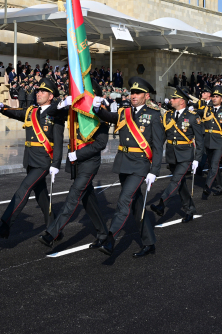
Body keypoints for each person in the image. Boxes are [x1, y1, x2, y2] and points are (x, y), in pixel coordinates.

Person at [92, 77, 164, 258]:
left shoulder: (154, 115)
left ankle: (110, 239)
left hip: (140, 165)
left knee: (124, 200)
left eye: (138, 93)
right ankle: (149, 243)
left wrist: (154, 171)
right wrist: (96, 108)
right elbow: (108, 116)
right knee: (136, 205)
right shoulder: (125, 112)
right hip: (124, 163)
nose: (133, 95)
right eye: (132, 92)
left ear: (146, 96)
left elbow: (157, 146)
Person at [0, 78, 66, 239]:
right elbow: (17, 113)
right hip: (30, 159)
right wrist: (3, 109)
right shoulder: (32, 111)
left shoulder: (56, 113)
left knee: (24, 189)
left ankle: (6, 224)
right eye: (38, 91)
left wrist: (56, 163)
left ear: (51, 96)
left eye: (43, 91)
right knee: (41, 195)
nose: (38, 93)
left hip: (44, 161)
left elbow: (58, 142)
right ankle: (54, 229)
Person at [39, 95, 111, 249]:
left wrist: (78, 154)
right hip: (76, 162)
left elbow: (100, 144)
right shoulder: (77, 111)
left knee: (74, 195)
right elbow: (52, 113)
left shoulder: (101, 113)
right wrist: (63, 103)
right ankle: (103, 235)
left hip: (89, 163)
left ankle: (52, 233)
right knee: (88, 200)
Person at [149, 86, 205, 223]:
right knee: (180, 184)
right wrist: (153, 153)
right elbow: (163, 136)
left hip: (185, 156)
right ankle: (190, 209)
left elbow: (200, 140)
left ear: (182, 101)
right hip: (171, 154)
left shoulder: (192, 117)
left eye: (174, 98)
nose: (171, 100)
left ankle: (162, 203)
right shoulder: (168, 115)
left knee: (175, 181)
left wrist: (197, 159)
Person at [199, 86, 222, 196]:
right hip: (208, 141)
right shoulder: (206, 110)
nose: (214, 98)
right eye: (213, 96)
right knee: (213, 166)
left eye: (217, 97)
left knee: (214, 164)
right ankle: (220, 187)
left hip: (219, 142)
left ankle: (207, 186)